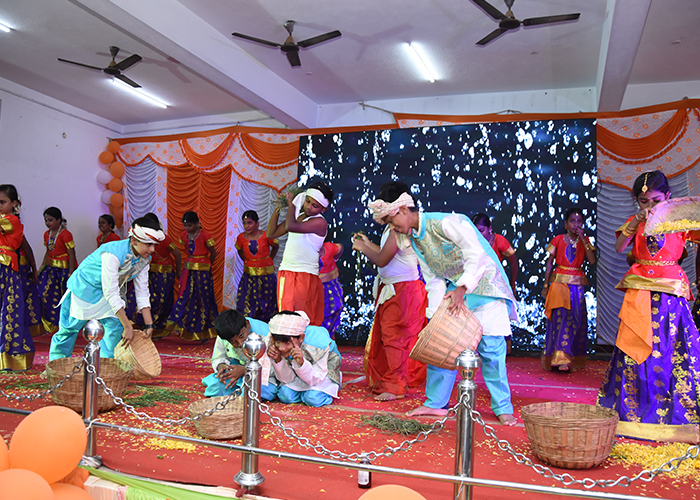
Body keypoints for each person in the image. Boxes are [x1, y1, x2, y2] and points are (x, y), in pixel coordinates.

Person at [372, 181, 518, 425]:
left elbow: (477, 255)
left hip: (485, 287)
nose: (391, 227)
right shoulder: (415, 240)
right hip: (456, 293)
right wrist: (434, 316)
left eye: (391, 220)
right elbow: (433, 278)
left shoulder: (446, 222)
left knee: (491, 350)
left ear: (404, 210)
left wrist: (462, 287)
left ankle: (503, 407)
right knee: (441, 344)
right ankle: (435, 403)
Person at [597, 171, 700, 435]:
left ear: (668, 196)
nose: (650, 206)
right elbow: (620, 247)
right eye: (643, 201)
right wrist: (635, 222)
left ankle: (673, 405)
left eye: (656, 200)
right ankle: (634, 406)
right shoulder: (636, 221)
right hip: (640, 291)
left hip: (671, 293)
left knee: (671, 347)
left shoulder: (678, 221)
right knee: (636, 345)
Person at [48, 216, 165, 360]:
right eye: (148, 244)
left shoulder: (144, 259)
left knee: (114, 328)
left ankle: (107, 365)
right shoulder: (113, 253)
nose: (152, 249)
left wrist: (148, 324)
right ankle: (56, 364)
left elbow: (142, 291)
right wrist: (128, 326)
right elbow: (111, 292)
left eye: (154, 245)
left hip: (107, 294)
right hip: (84, 289)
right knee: (69, 329)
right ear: (134, 241)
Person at [353, 226, 427, 401]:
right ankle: (395, 379)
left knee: (394, 338)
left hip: (403, 289)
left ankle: (396, 386)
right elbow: (387, 253)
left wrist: (363, 248)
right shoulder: (392, 226)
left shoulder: (397, 228)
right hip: (394, 288)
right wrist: (368, 244)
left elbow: (382, 260)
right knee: (390, 337)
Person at [267, 182, 334, 326]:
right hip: (286, 271)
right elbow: (271, 233)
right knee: (285, 315)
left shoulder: (320, 222)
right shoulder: (299, 216)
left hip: (305, 274)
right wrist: (279, 207)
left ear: (323, 209)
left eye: (314, 205)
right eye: (307, 201)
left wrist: (291, 205)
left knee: (301, 318)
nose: (308, 207)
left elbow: (291, 226)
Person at [541, 208, 595, 372]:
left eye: (579, 221)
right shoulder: (558, 239)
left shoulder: (585, 241)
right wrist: (545, 285)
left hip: (577, 285)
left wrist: (583, 240)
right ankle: (560, 358)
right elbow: (549, 263)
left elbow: (592, 261)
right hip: (559, 283)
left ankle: (570, 356)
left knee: (576, 320)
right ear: (566, 224)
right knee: (561, 317)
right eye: (572, 221)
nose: (575, 224)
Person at [266, 310, 341, 407]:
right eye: (278, 341)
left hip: (320, 375)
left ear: (301, 338)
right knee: (285, 395)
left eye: (287, 342)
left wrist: (301, 363)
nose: (281, 348)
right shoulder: (273, 342)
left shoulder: (318, 344)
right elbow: (287, 379)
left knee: (312, 398)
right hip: (299, 375)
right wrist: (278, 360)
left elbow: (317, 379)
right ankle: (303, 393)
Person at [202, 309, 279, 400]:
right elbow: (218, 357)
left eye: (241, 336)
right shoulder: (225, 333)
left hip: (263, 374)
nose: (240, 343)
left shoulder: (266, 335)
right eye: (232, 341)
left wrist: (245, 370)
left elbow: (274, 368)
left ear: (247, 324)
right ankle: (239, 386)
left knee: (252, 391)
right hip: (237, 368)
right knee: (216, 387)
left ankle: (241, 388)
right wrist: (221, 366)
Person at [127, 212, 181, 337]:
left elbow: (177, 254)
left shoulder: (163, 238)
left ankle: (157, 328)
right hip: (149, 272)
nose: (152, 249)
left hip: (164, 274)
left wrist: (178, 271)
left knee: (161, 301)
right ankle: (140, 324)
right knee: (145, 298)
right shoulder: (135, 244)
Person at [167, 211, 218, 341]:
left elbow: (213, 253)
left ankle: (205, 331)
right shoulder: (183, 236)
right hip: (188, 272)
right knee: (186, 297)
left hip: (203, 273)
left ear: (197, 223)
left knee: (204, 299)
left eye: (190, 225)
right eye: (185, 225)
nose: (187, 228)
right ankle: (185, 329)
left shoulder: (205, 235)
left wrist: (207, 265)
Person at [0, 184, 35, 370]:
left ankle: (10, 355)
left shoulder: (12, 220)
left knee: (9, 311)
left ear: (14, 204)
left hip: (6, 269)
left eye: (2, 202)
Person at [38, 206, 76, 335]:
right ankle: (49, 324)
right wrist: (41, 267)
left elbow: (71, 254)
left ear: (59, 220)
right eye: (46, 220)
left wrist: (71, 272)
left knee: (62, 298)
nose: (47, 223)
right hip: (50, 269)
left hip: (62, 271)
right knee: (44, 294)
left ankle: (63, 325)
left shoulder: (65, 234)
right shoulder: (46, 234)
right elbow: (48, 252)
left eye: (50, 220)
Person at [235, 210, 278, 323]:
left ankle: (266, 327)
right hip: (249, 276)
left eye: (249, 223)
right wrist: (246, 260)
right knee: (246, 302)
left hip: (266, 277)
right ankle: (248, 326)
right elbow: (239, 250)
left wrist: (269, 259)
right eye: (244, 223)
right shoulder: (241, 237)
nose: (247, 226)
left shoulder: (266, 235)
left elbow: (275, 246)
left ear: (257, 223)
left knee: (267, 302)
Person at [472, 213, 518, 294]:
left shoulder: (500, 242)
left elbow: (514, 263)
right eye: (475, 231)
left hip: (496, 280)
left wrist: (512, 284)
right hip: (476, 280)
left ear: (490, 228)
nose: (478, 235)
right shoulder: (471, 241)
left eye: (481, 230)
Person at [319, 241, 344, 337]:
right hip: (313, 287)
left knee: (335, 308)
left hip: (330, 286)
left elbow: (340, 247)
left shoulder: (329, 248)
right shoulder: (306, 251)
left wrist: (335, 259)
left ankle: (326, 337)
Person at [19, 236, 42, 337]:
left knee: (25, 295)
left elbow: (28, 250)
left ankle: (29, 329)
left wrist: (34, 269)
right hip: (8, 265)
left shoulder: (16, 230)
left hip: (20, 267)